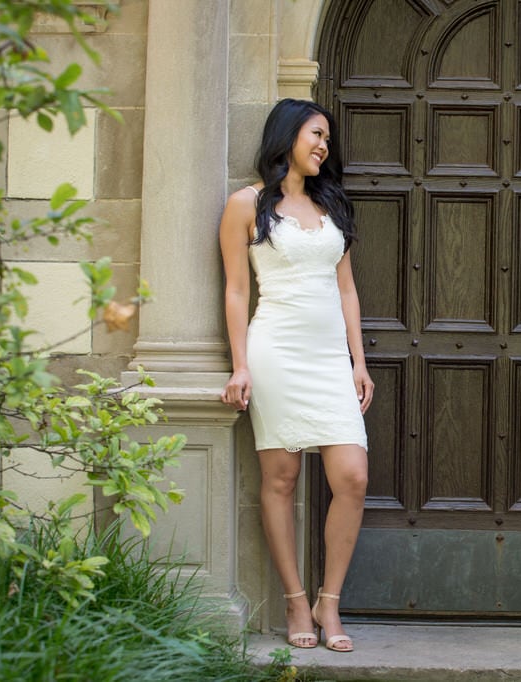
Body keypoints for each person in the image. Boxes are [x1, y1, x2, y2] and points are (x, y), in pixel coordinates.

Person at [219, 98, 373, 653]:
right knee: (281, 478)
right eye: (316, 134)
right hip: (276, 352)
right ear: (287, 136)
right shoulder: (247, 205)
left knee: (352, 475)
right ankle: (294, 599)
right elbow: (237, 290)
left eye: (327, 138)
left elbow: (347, 290)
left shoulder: (332, 207)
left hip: (329, 359)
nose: (323, 146)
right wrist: (240, 365)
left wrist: (358, 361)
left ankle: (329, 601)